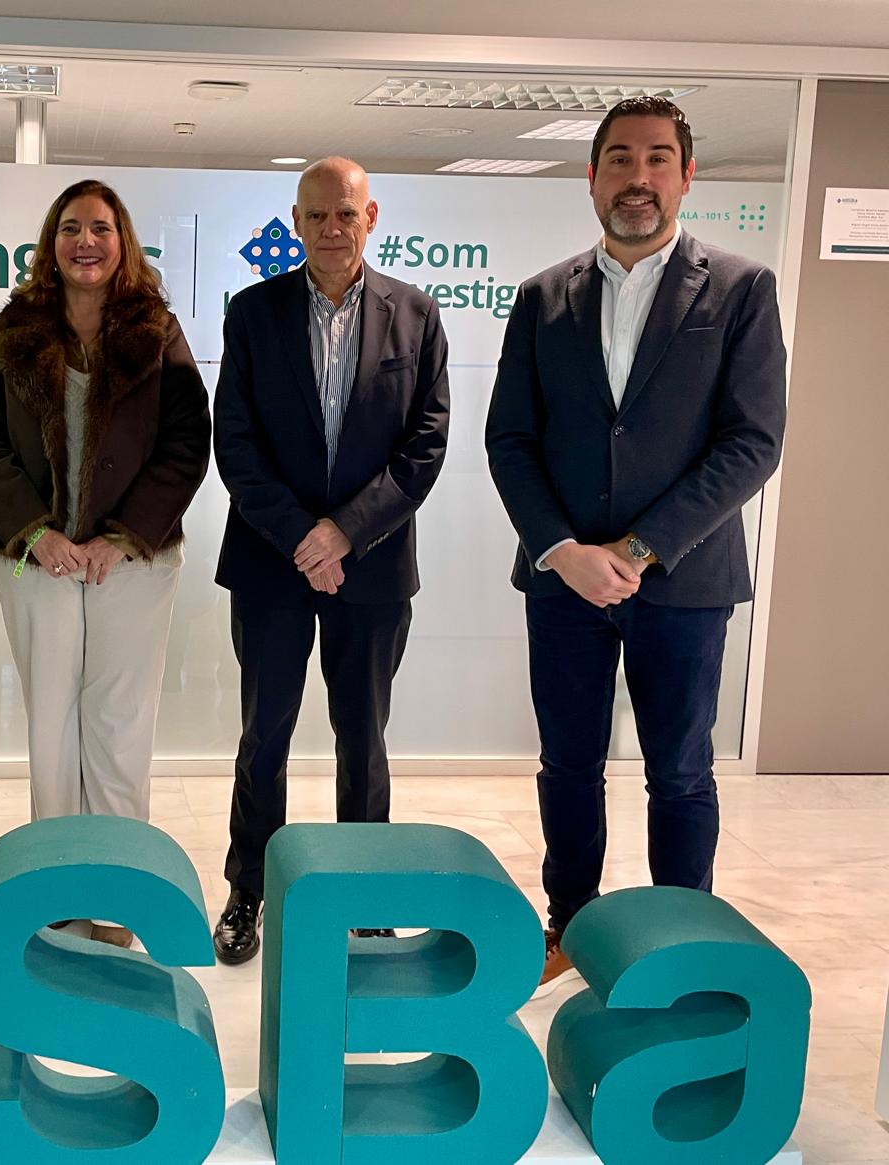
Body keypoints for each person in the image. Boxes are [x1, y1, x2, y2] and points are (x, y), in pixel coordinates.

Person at [485, 96, 786, 988]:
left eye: (658, 158)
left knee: (681, 771)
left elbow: (752, 441)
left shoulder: (741, 290)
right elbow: (510, 440)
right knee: (568, 765)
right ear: (592, 177)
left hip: (684, 581)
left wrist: (641, 549)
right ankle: (571, 926)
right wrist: (563, 550)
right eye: (619, 158)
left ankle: (679, 945)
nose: (638, 177)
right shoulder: (542, 297)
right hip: (564, 581)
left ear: (687, 176)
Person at [210, 157, 451, 965]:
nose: (331, 229)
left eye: (345, 213)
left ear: (370, 216)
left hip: (372, 566)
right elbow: (236, 444)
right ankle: (249, 888)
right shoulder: (252, 314)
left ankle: (365, 895)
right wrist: (302, 538)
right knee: (263, 735)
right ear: (296, 222)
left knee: (364, 737)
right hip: (271, 563)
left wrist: (344, 532)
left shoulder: (416, 315)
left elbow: (425, 446)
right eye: (315, 216)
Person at [0, 180, 211, 947]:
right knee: (52, 726)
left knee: (119, 726)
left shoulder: (157, 331)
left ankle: (119, 894)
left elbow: (186, 442)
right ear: (52, 242)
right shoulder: (15, 328)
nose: (86, 242)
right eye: (71, 227)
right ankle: (59, 892)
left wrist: (123, 535)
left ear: (122, 240)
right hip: (37, 559)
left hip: (131, 561)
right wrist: (35, 532)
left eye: (100, 228)